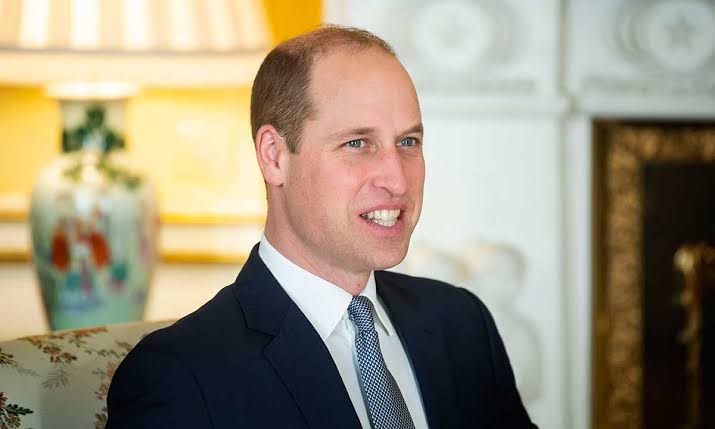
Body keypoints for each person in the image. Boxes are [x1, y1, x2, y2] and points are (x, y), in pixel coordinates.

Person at [106, 25, 537, 429]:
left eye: (408, 142)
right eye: (358, 143)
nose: (397, 180)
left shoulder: (461, 323)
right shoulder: (180, 374)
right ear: (274, 156)